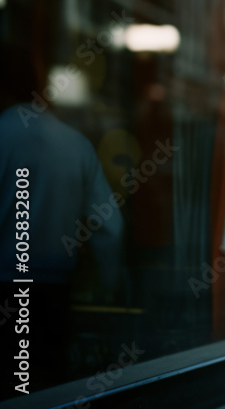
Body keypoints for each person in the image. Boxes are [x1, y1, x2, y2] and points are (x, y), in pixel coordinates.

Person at [0, 45, 124, 398]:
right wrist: (108, 284)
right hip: (54, 295)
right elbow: (110, 227)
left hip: (5, 285)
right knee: (46, 392)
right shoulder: (75, 144)